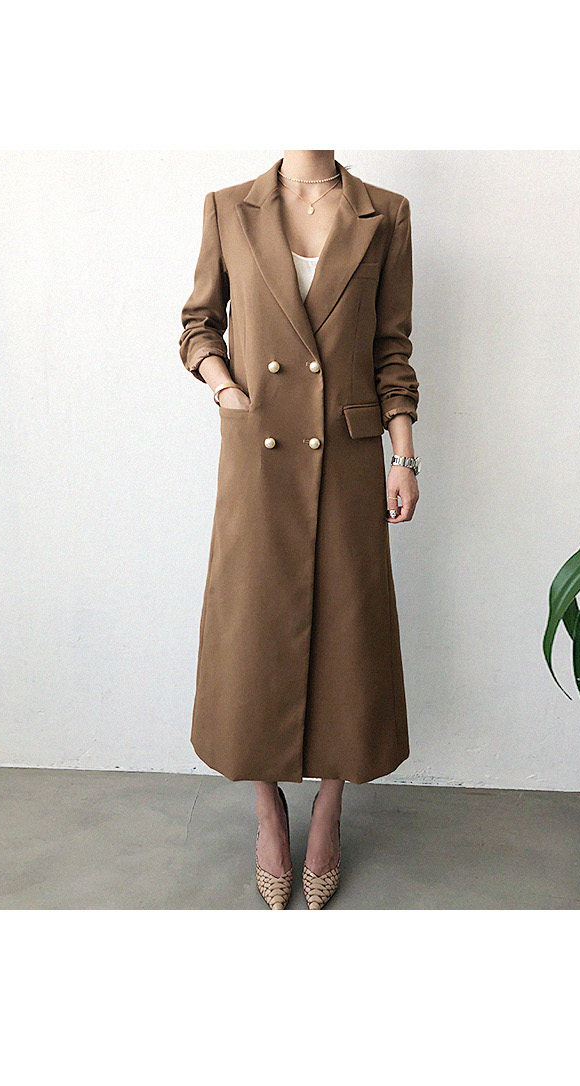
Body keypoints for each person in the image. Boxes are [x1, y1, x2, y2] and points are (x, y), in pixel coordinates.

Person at [179, 153, 420, 906]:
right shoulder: (228, 207)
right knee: (251, 628)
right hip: (259, 454)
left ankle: (330, 812)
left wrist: (404, 456)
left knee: (349, 632)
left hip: (348, 456)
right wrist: (227, 389)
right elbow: (198, 326)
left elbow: (391, 348)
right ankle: (267, 815)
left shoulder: (385, 212)